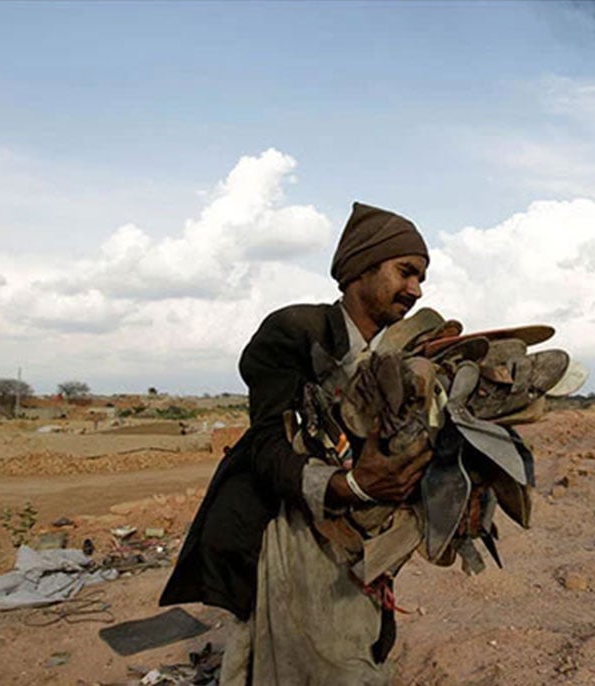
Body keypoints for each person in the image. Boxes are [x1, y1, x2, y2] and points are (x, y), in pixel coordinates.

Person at [161, 202, 434, 685]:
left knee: (351, 651)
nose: (415, 289)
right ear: (359, 269)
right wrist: (351, 485)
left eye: (421, 279)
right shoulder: (293, 331)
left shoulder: (406, 351)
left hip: (361, 544)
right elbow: (267, 446)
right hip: (291, 531)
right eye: (405, 272)